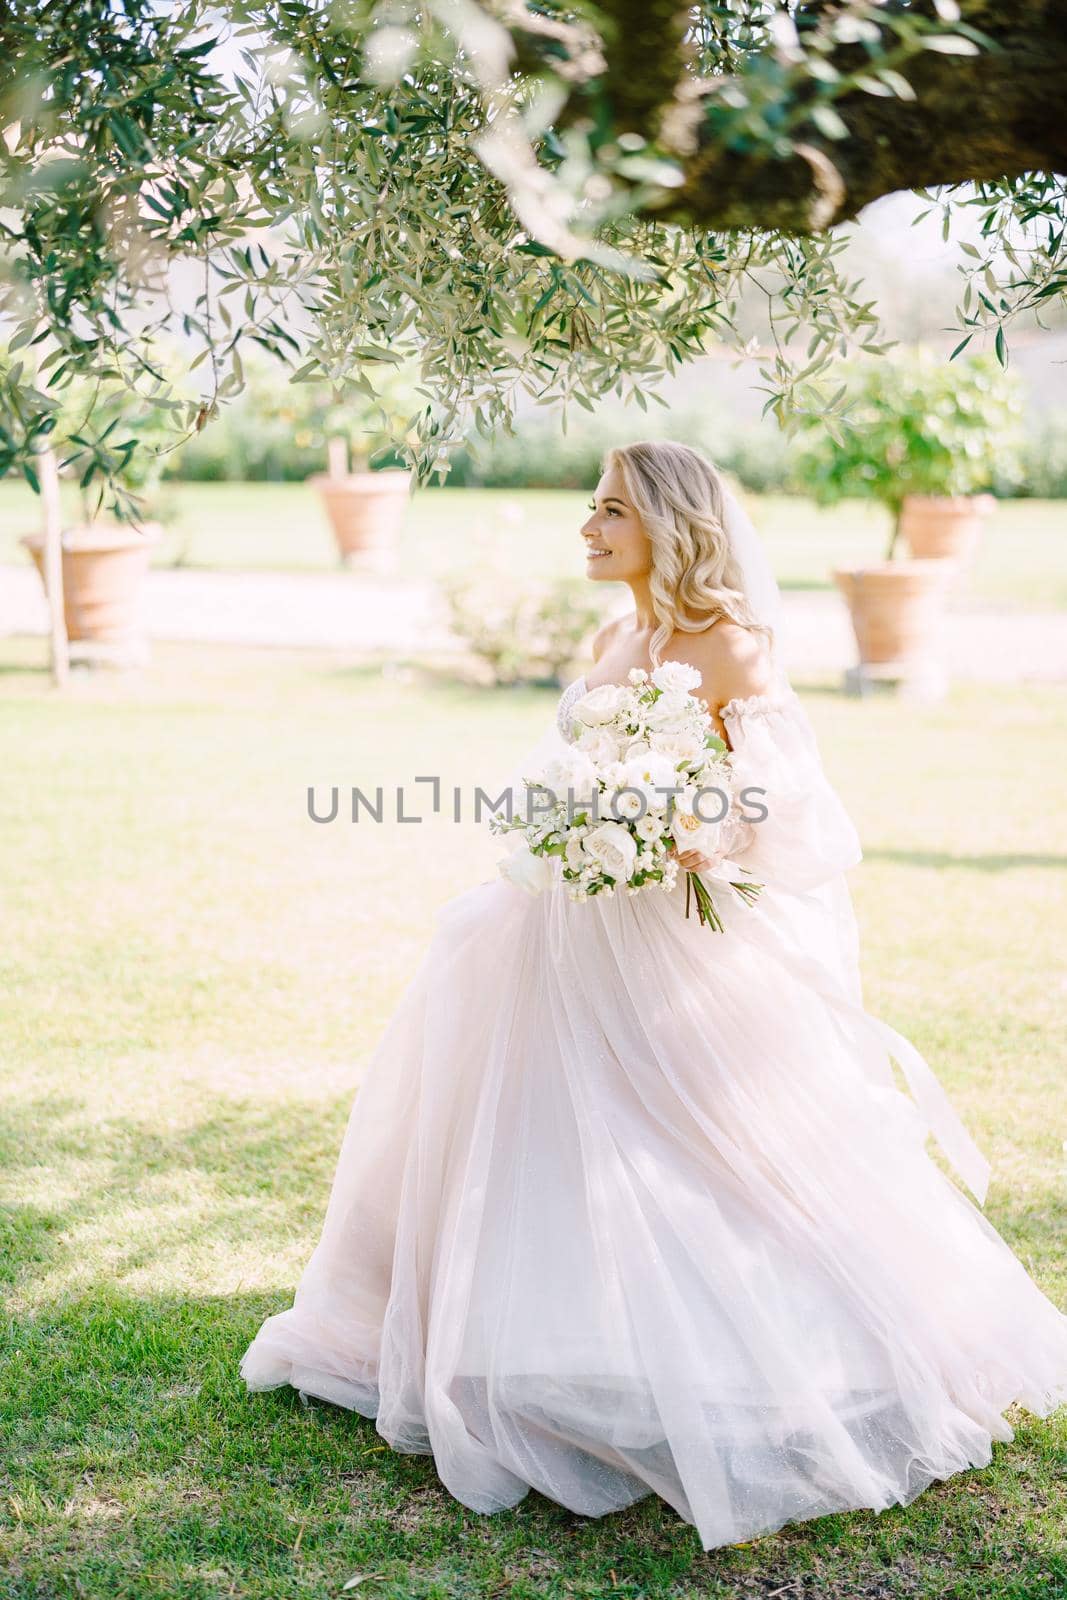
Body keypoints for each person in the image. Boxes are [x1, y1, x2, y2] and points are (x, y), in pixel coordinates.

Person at [240, 440, 1067, 1551]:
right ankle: (538, 1346)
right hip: (560, 929)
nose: (587, 526)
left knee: (703, 1147)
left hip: (669, 939)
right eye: (588, 506)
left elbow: (794, 817)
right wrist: (569, 818)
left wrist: (687, 830)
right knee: (545, 1140)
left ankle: (771, 1355)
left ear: (667, 524)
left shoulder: (730, 647)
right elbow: (551, 772)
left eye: (611, 510)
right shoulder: (612, 635)